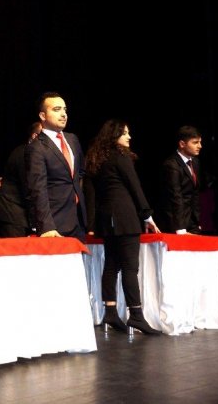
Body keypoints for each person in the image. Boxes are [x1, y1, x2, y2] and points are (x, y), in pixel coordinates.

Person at [85, 119, 162, 335]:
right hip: (125, 218)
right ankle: (136, 315)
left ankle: (110, 312)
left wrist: (92, 223)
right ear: (114, 135)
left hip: (106, 219)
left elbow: (90, 193)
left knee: (111, 265)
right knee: (130, 268)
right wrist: (147, 215)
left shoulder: (96, 158)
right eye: (125, 133)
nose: (129, 137)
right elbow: (135, 187)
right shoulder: (120, 156)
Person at [25, 92, 87, 240]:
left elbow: (80, 173)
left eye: (64, 109)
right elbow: (37, 189)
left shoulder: (72, 139)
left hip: (78, 220)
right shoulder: (36, 147)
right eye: (56, 109)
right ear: (43, 115)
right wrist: (46, 226)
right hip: (54, 224)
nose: (63, 114)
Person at [0, 121, 42, 237]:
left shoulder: (27, 151)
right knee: (14, 247)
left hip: (17, 212)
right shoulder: (26, 154)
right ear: (35, 136)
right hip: (11, 212)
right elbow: (29, 187)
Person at [157, 125, 203, 234]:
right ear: (182, 144)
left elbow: (195, 194)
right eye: (195, 142)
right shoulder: (172, 165)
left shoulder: (195, 162)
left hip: (191, 221)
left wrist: (197, 222)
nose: (200, 146)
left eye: (200, 142)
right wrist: (180, 228)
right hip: (175, 222)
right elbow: (175, 197)